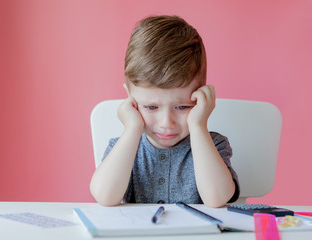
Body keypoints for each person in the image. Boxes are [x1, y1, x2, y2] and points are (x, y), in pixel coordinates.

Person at [90, 15, 240, 208]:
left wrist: (198, 125)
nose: (166, 122)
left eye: (182, 107)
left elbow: (217, 198)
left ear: (201, 99)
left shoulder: (214, 145)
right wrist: (132, 128)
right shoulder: (124, 146)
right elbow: (105, 196)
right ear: (130, 99)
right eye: (151, 107)